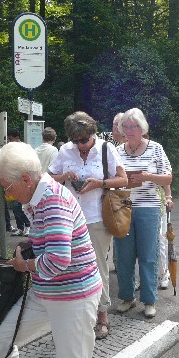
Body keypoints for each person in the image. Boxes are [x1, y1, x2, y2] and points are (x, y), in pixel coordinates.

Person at [0, 142, 103, 358]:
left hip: (74, 296)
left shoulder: (52, 200)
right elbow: (53, 245)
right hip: (47, 291)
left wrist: (24, 265)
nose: (7, 195)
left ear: (26, 179)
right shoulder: (38, 198)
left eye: (8, 188)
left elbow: (58, 260)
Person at [48, 112, 127, 340]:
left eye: (84, 140)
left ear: (93, 133)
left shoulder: (106, 149)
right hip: (69, 218)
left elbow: (123, 180)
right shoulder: (65, 151)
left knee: (98, 266)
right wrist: (64, 176)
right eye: (76, 141)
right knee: (69, 266)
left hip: (96, 217)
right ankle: (76, 315)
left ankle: (102, 316)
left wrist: (99, 183)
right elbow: (48, 178)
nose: (80, 145)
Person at [115, 108, 172, 318]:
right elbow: (110, 177)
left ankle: (149, 300)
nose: (130, 130)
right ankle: (127, 297)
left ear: (143, 128)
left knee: (148, 255)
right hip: (123, 207)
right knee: (124, 256)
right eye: (126, 126)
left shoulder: (156, 148)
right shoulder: (117, 151)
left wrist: (147, 177)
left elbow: (168, 178)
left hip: (148, 207)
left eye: (134, 126)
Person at [6, 129, 31, 237]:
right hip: (14, 180)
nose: (9, 141)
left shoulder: (24, 148)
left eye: (10, 139)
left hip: (23, 181)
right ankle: (20, 227)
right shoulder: (11, 150)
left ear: (17, 138)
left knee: (21, 206)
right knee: (16, 206)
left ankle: (28, 226)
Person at [158, 185, 175, 289]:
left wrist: (168, 197)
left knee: (161, 240)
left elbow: (166, 182)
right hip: (134, 204)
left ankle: (164, 272)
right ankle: (138, 277)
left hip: (159, 204)